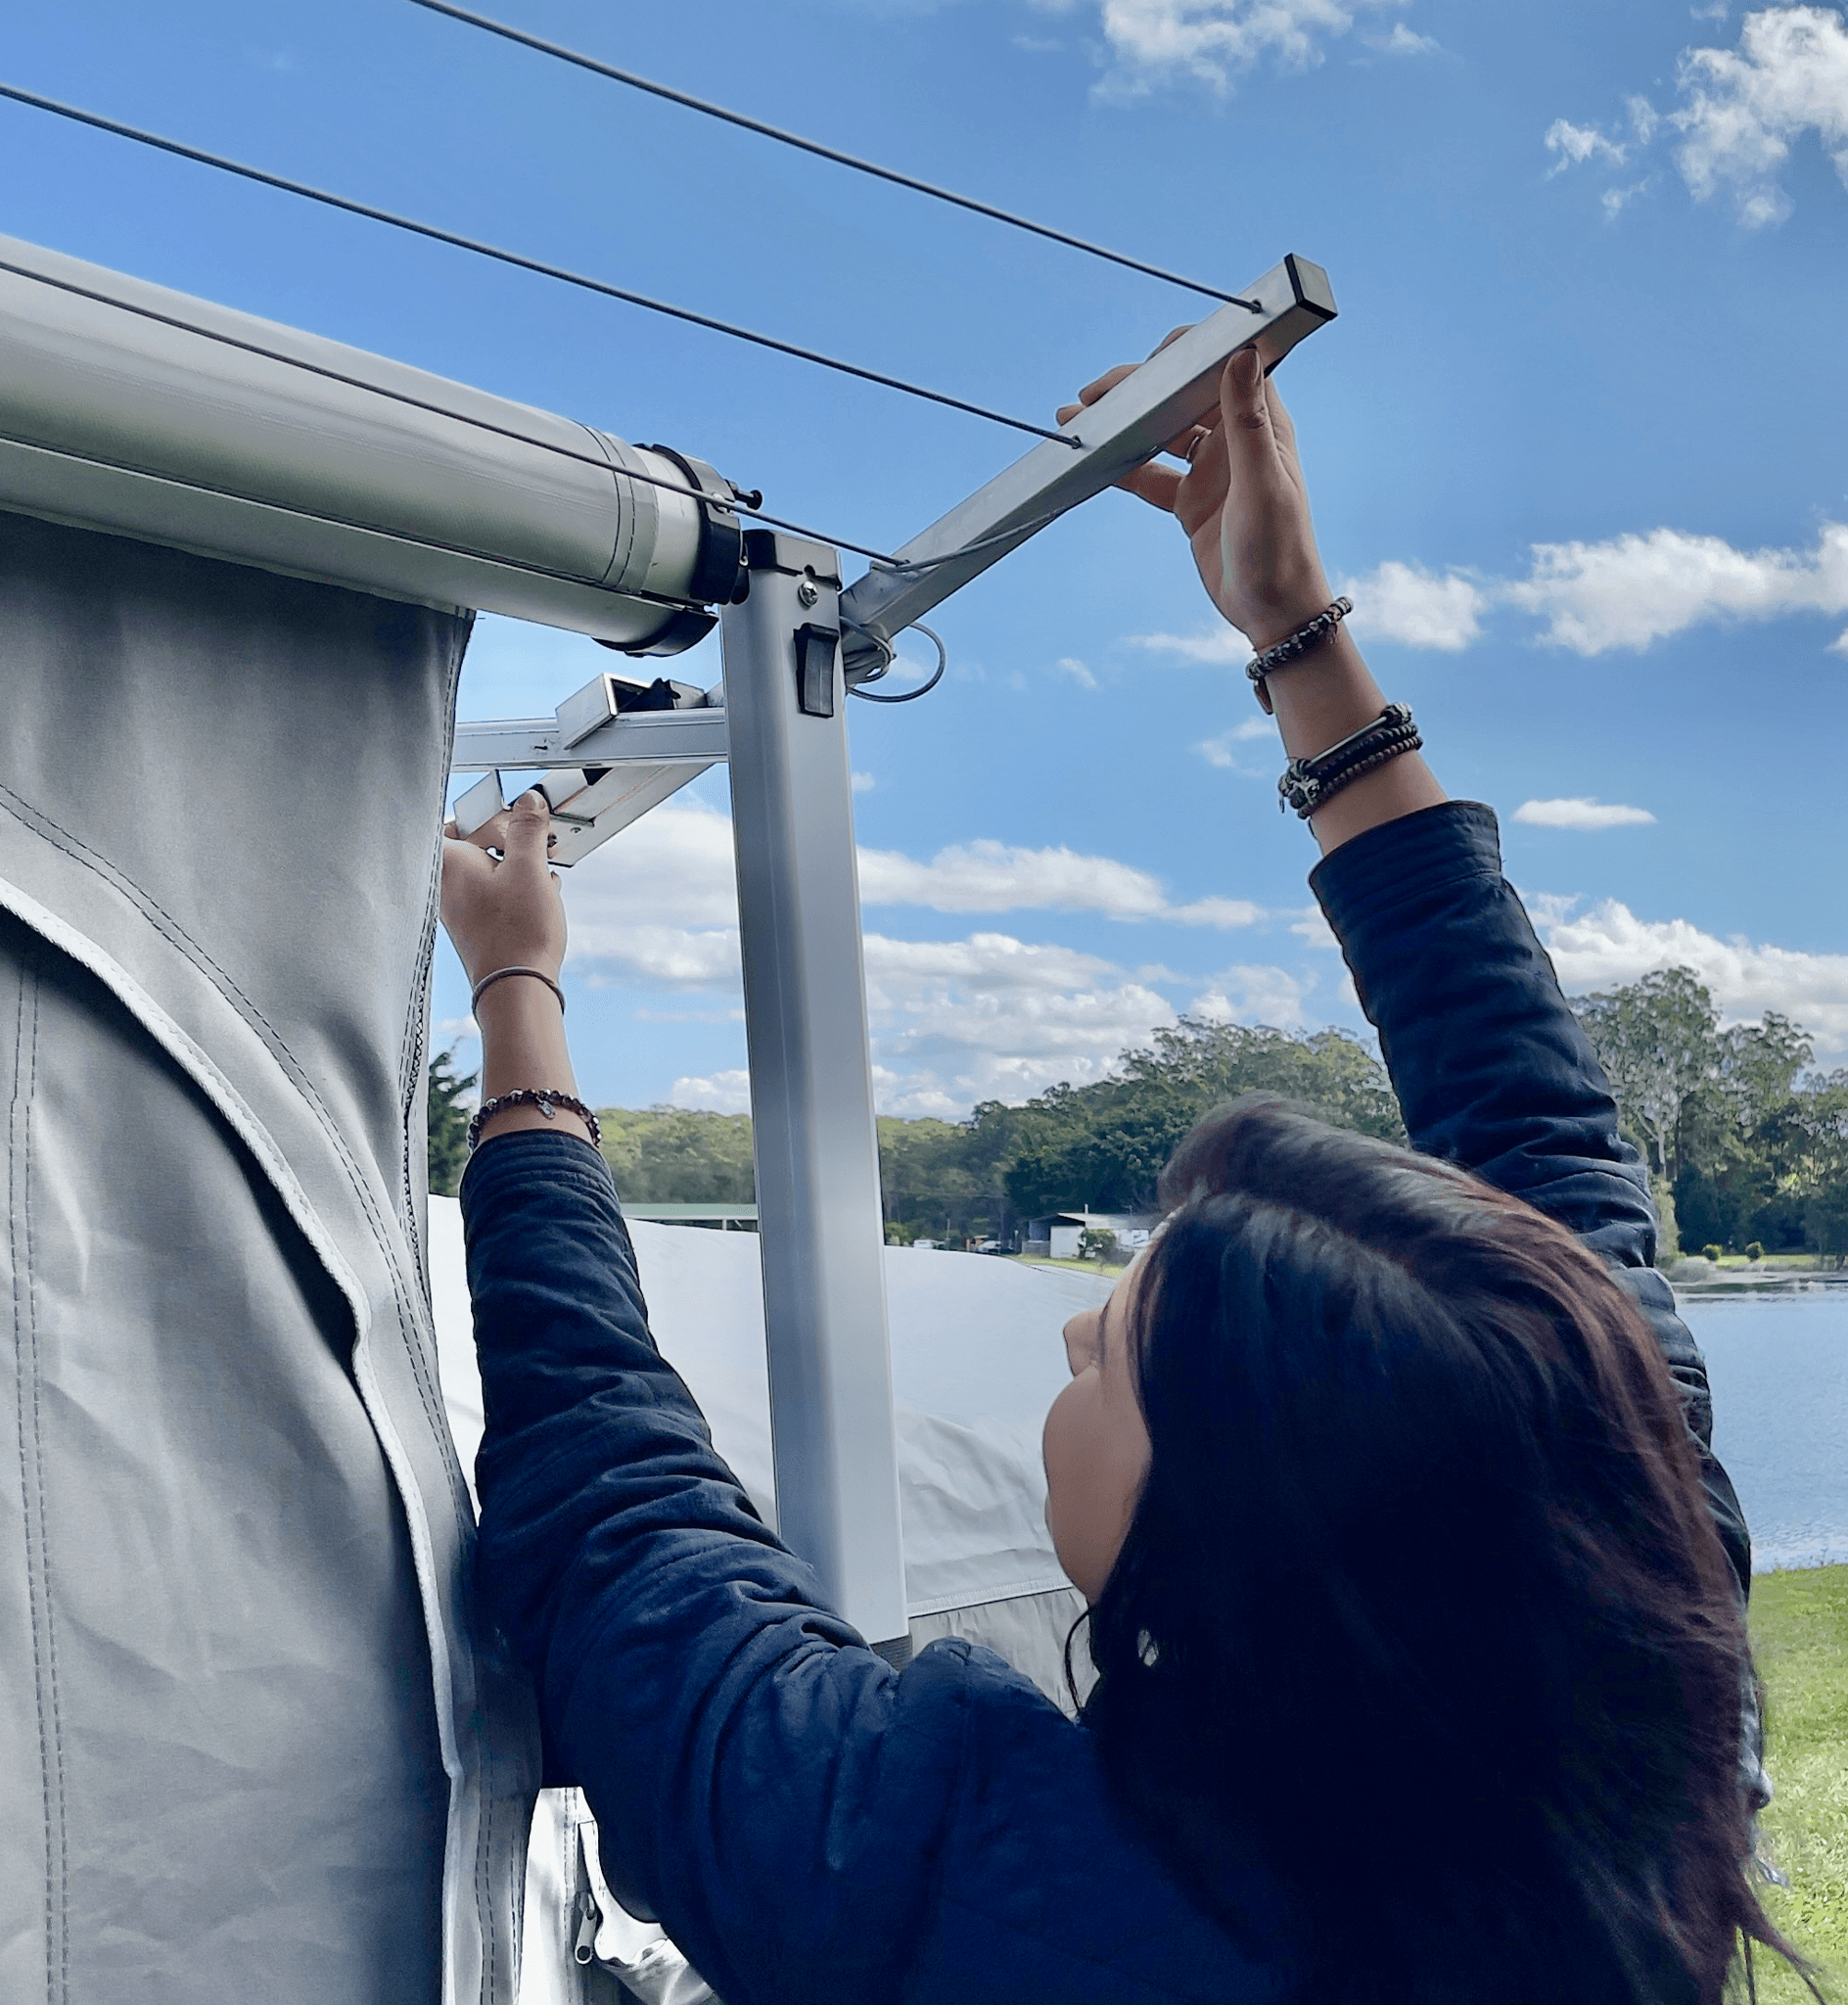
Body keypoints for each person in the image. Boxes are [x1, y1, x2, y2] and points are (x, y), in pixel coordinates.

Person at [441, 341, 1802, 2005]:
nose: (1078, 1335)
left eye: (1128, 1354)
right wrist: (1299, 637)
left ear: (1242, 1570)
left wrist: (513, 979)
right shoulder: (1626, 1659)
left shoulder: (974, 1885)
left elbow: (611, 1517)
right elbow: (1535, 1141)